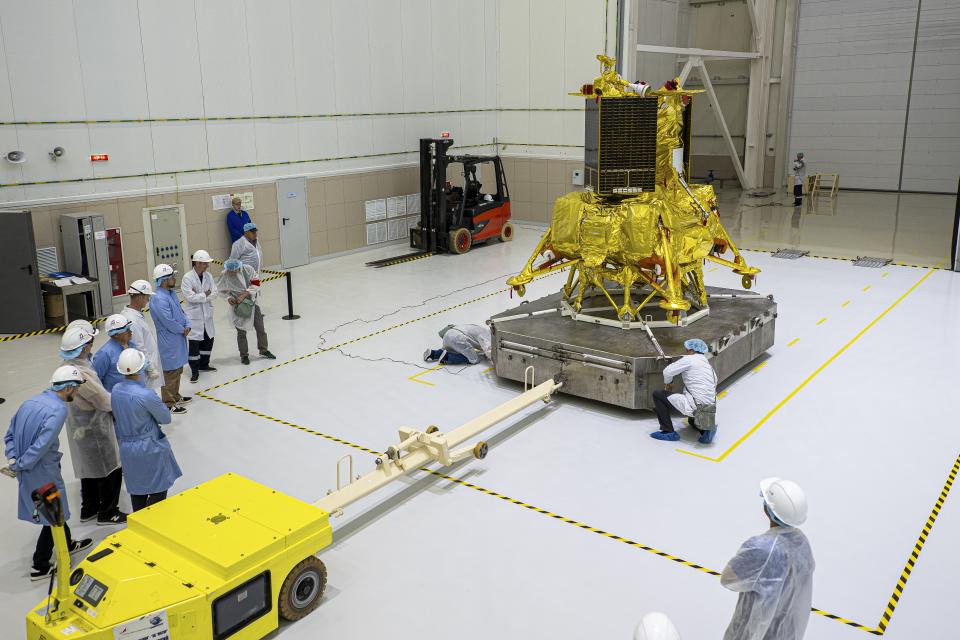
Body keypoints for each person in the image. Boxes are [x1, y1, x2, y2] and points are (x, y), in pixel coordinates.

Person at [4, 366, 93, 580]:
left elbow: (9, 433)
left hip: (30, 470)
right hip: (42, 472)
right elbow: (41, 445)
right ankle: (40, 565)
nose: (77, 393)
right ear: (69, 388)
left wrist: (13, 458)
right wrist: (20, 464)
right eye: (77, 389)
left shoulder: (30, 402)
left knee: (55, 511)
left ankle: (67, 544)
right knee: (54, 516)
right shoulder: (58, 409)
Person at [721, 478, 814, 640]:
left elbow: (728, 579)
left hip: (754, 633)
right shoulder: (802, 542)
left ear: (768, 509)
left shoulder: (760, 548)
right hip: (786, 633)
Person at [58, 326, 126, 526]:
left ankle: (89, 509)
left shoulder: (67, 366)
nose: (91, 346)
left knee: (88, 469)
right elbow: (103, 400)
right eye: (88, 343)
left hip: (79, 426)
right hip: (94, 427)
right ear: (81, 349)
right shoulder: (80, 373)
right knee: (110, 468)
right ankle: (108, 512)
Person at [110, 349, 182, 512]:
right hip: (149, 448)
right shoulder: (146, 395)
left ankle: (140, 524)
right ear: (141, 368)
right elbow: (166, 418)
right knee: (159, 489)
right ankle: (152, 521)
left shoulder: (115, 390)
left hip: (127, 448)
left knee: (137, 490)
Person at [650, 338, 717, 444]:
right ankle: (705, 430)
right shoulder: (708, 366)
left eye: (687, 350)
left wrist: (669, 383)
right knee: (691, 398)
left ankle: (668, 431)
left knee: (658, 395)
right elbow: (713, 383)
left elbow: (667, 372)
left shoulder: (690, 359)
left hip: (695, 406)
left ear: (692, 351)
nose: (686, 352)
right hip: (710, 408)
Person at [217, 258, 276, 365]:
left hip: (251, 303)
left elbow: (256, 283)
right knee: (241, 332)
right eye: (228, 271)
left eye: (232, 271)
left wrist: (244, 295)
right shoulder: (225, 273)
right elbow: (221, 289)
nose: (230, 273)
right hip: (237, 306)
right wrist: (229, 298)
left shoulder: (247, 270)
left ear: (237, 268)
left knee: (260, 327)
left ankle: (264, 350)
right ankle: (244, 355)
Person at [151, 264, 191, 414]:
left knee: (178, 369)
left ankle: (175, 395)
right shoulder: (159, 299)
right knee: (170, 372)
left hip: (178, 336)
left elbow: (180, 312)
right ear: (163, 280)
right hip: (169, 339)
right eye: (171, 277)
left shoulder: (171, 293)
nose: (174, 279)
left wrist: (187, 324)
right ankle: (168, 403)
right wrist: (183, 329)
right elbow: (167, 321)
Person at [181, 249, 218, 383]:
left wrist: (201, 295)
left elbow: (215, 292)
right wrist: (205, 294)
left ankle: (204, 364)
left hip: (207, 314)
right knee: (195, 344)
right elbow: (190, 297)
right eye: (204, 263)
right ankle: (195, 371)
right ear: (197, 263)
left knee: (208, 340)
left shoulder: (208, 276)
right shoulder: (187, 278)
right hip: (194, 317)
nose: (207, 266)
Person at [121, 280, 163, 392]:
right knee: (146, 395)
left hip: (144, 366)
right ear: (139, 297)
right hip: (143, 369)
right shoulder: (132, 320)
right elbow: (138, 346)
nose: (148, 300)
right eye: (147, 297)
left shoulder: (134, 314)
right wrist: (150, 368)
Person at [92, 314, 139, 392]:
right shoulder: (105, 354)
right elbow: (95, 381)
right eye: (127, 330)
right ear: (116, 334)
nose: (130, 331)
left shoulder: (132, 345)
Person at [423, 324, 492, 365]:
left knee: (448, 349)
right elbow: (488, 351)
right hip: (458, 338)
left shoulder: (480, 328)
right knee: (473, 359)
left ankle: (433, 353)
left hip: (448, 334)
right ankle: (447, 357)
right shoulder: (487, 335)